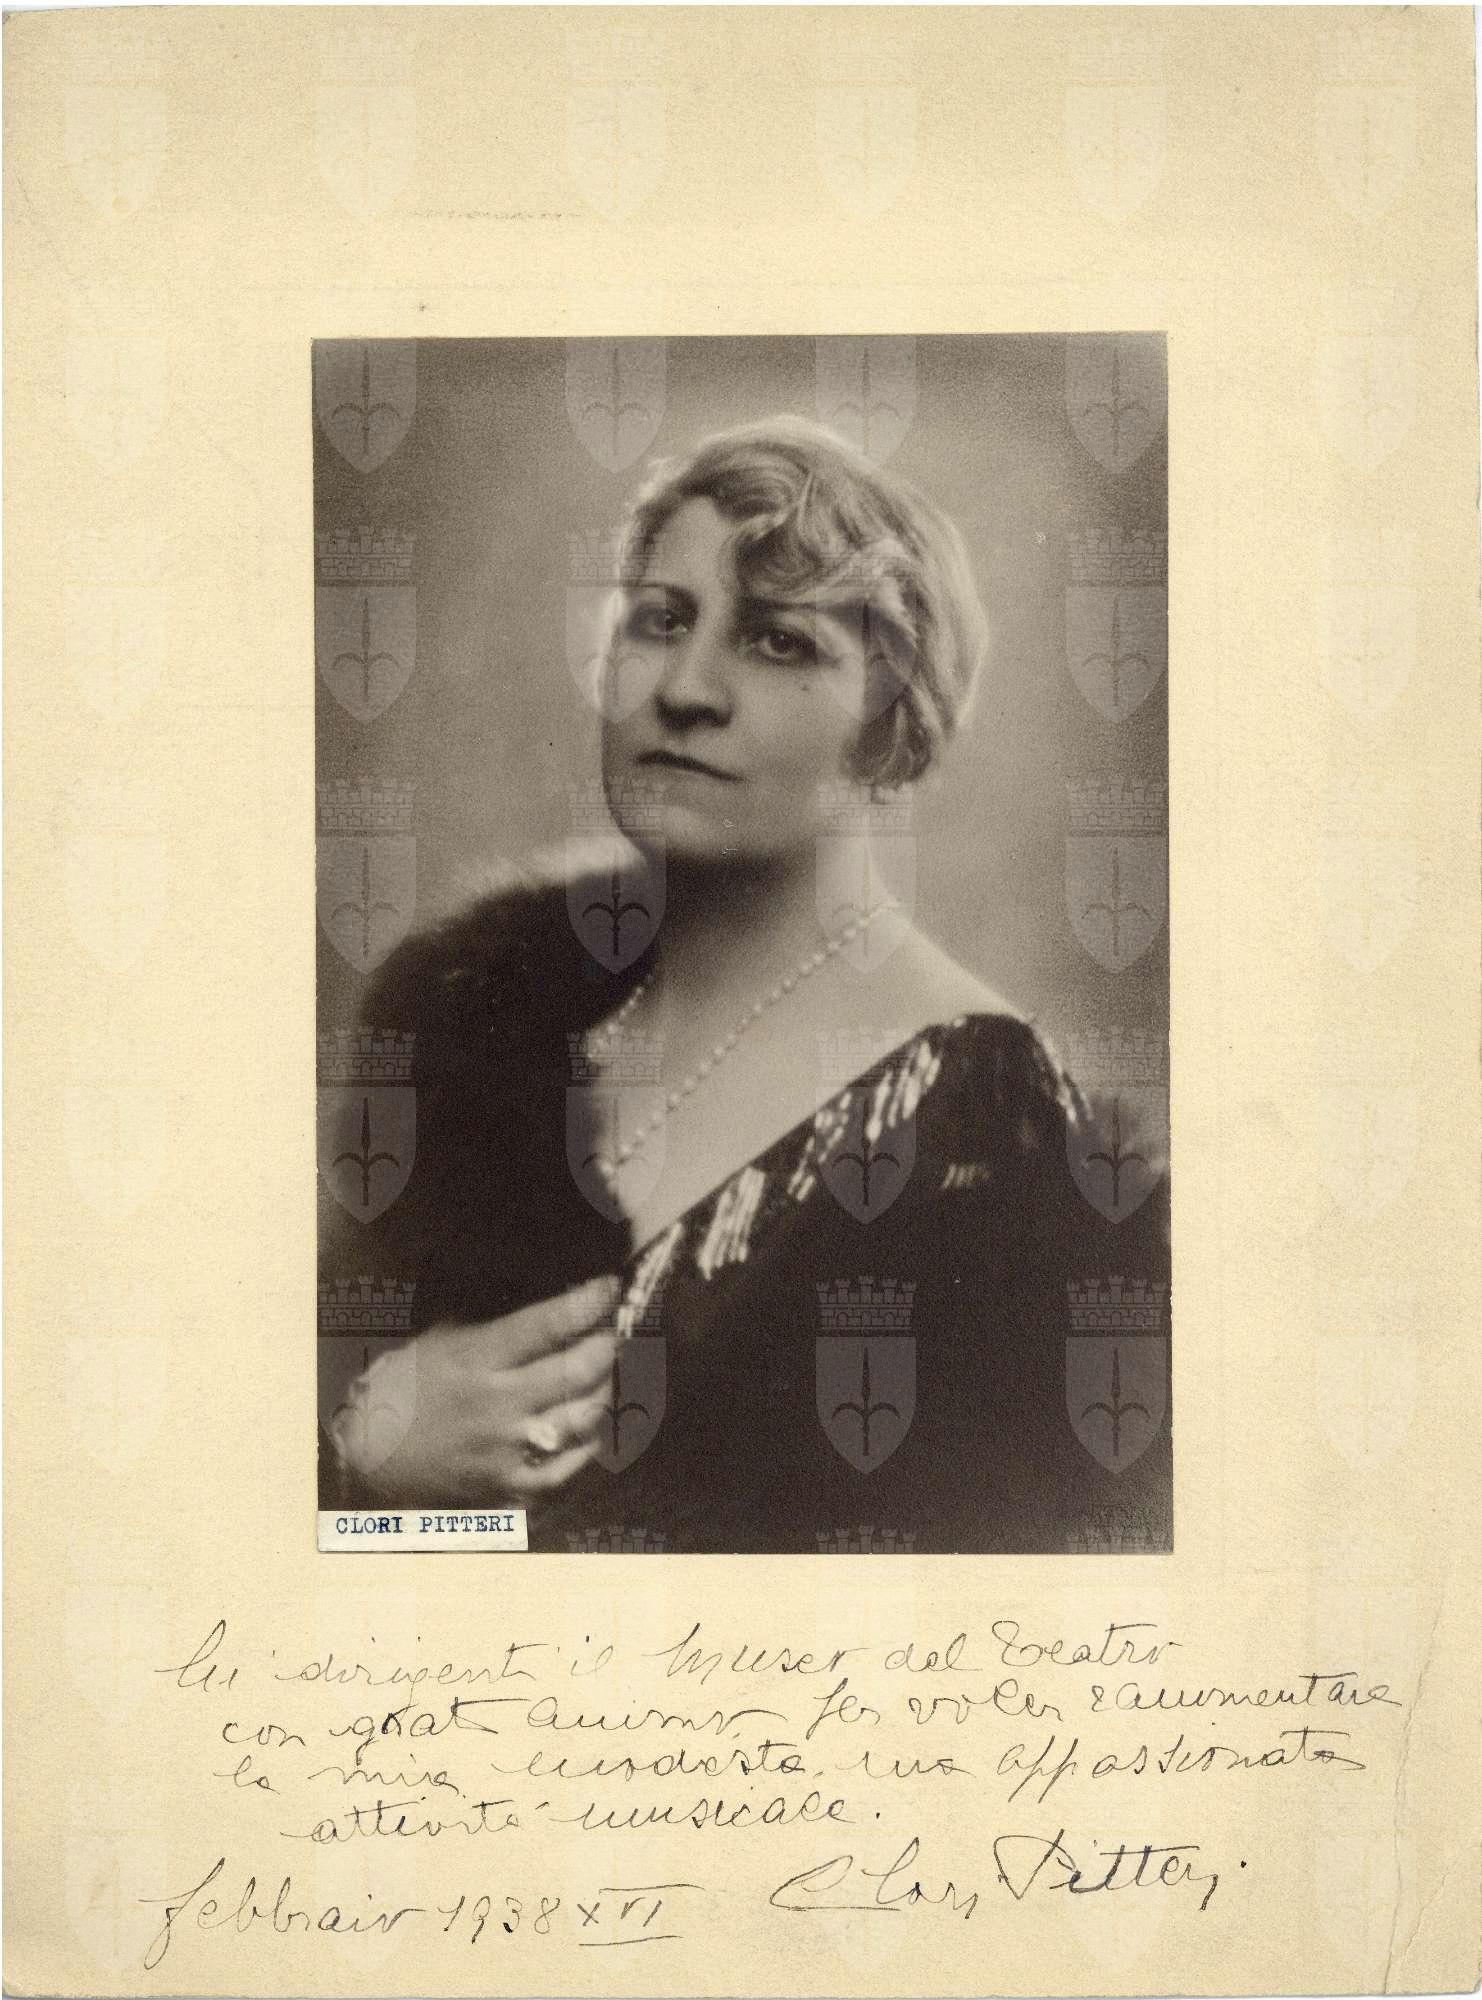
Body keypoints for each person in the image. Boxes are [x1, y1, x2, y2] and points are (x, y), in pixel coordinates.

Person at [321, 415, 1170, 1553]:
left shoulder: (988, 1129)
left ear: (891, 726)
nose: (685, 688)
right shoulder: (466, 1027)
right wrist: (366, 1462)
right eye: (661, 620)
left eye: (778, 642)